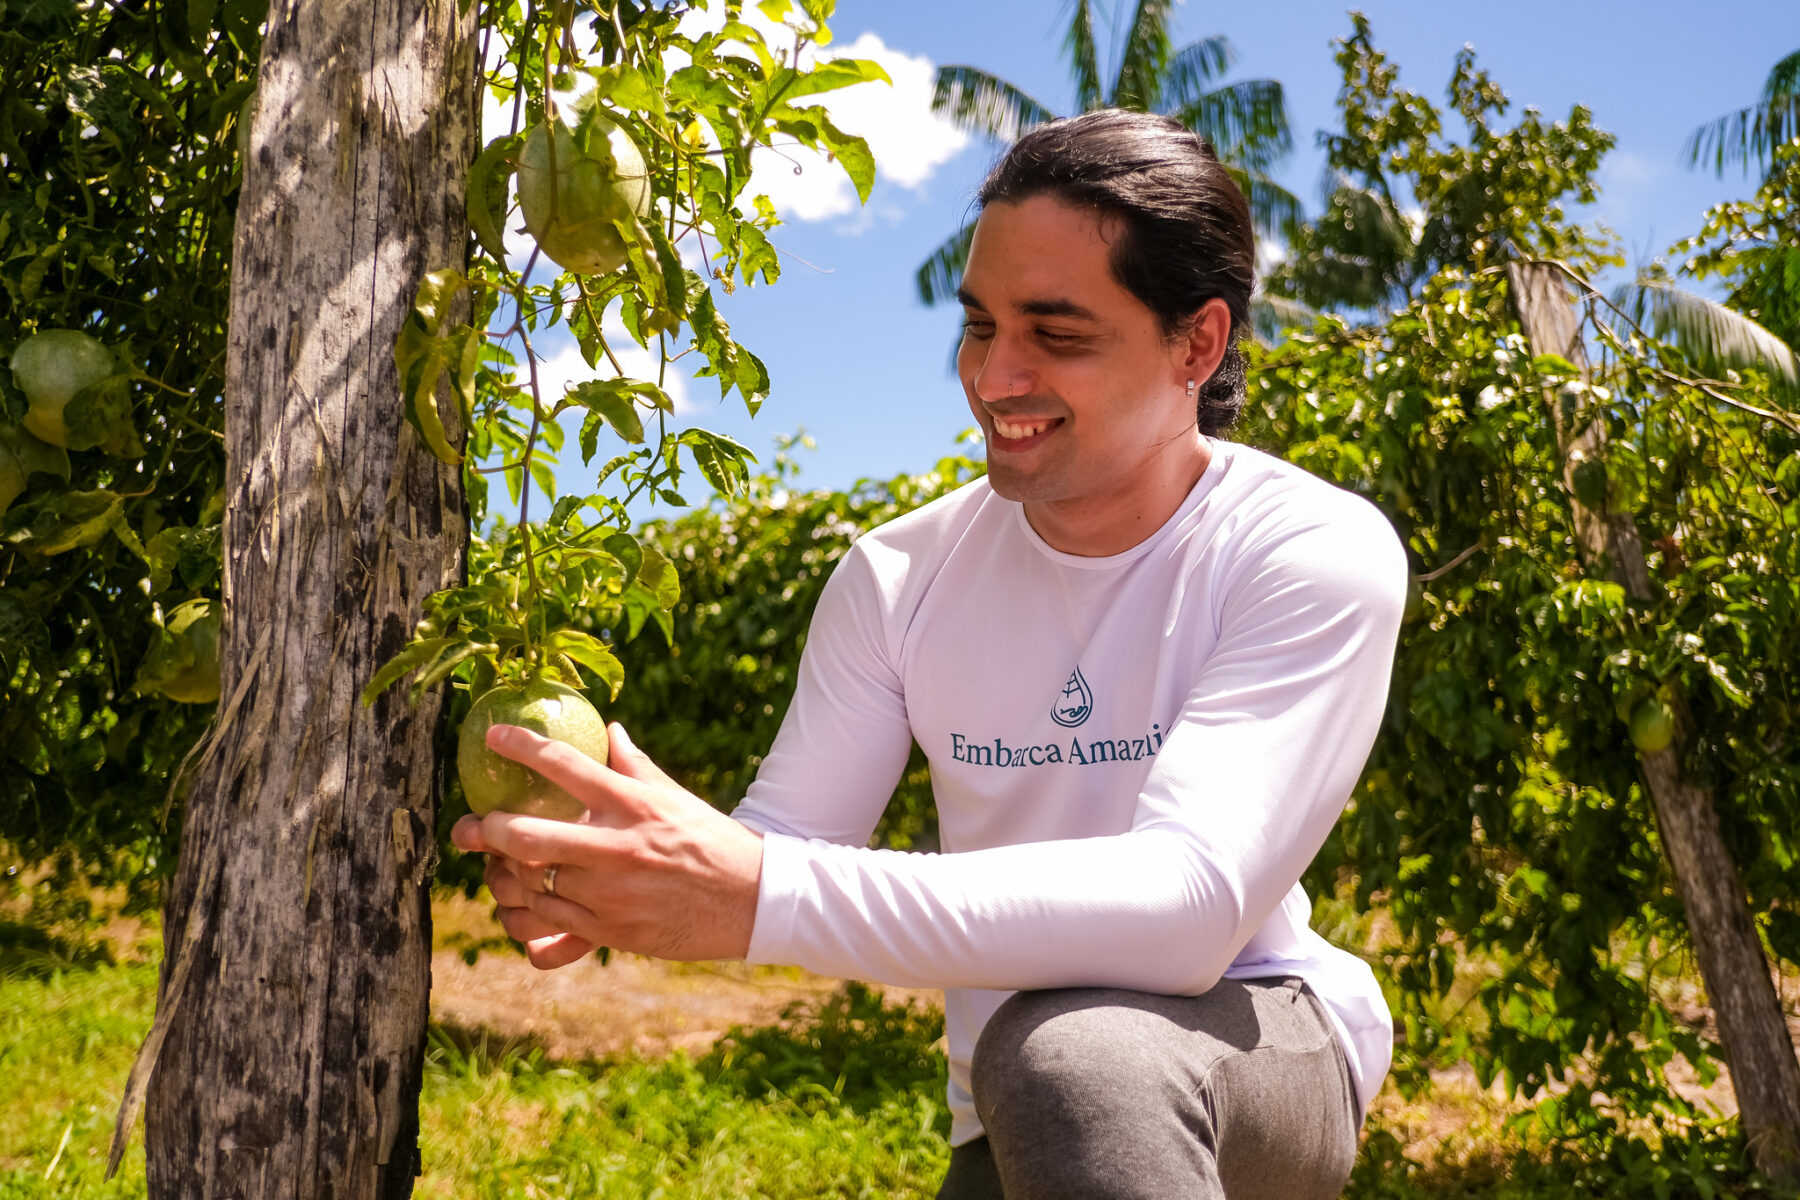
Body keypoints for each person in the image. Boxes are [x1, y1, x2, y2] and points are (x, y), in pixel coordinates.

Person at [452, 109, 1408, 1199]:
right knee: (1051, 1066)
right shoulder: (900, 577)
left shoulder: (1304, 550)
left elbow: (1188, 910)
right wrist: (608, 872)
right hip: (1012, 1101)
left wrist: (753, 887)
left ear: (1198, 342)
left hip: (1254, 1037)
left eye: (1058, 334)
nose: (996, 378)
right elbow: (778, 853)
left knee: (1077, 1058)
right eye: (980, 324)